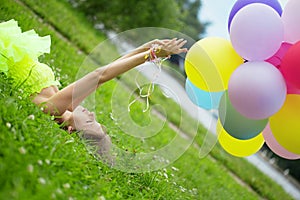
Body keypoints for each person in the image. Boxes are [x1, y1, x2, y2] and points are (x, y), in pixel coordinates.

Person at [0, 19, 188, 159]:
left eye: (90, 123)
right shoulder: (68, 108)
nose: (92, 114)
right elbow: (107, 71)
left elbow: (99, 76)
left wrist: (150, 55)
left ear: (71, 129)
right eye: (95, 120)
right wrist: (146, 47)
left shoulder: (53, 109)